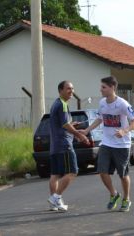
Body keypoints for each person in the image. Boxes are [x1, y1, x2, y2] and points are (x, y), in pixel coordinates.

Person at [81, 76, 134, 212]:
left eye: (103, 87)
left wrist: (125, 131)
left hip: (122, 145)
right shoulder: (102, 103)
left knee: (123, 175)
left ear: (112, 88)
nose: (100, 89)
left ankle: (126, 199)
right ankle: (114, 194)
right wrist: (86, 130)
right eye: (101, 87)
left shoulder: (123, 104)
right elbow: (100, 119)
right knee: (102, 171)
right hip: (106, 143)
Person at [47, 81, 89, 212]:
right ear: (60, 91)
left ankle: (54, 203)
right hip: (64, 145)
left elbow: (63, 123)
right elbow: (65, 125)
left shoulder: (56, 104)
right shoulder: (63, 104)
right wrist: (79, 134)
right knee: (73, 171)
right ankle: (56, 197)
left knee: (55, 174)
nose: (71, 91)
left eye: (72, 89)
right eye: (68, 89)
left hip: (55, 145)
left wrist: (72, 124)